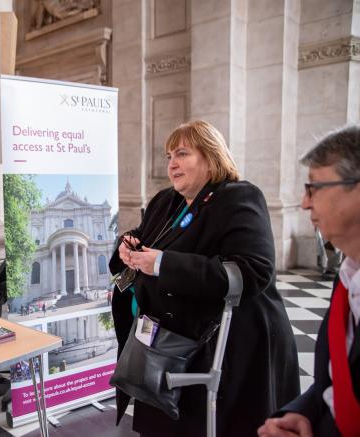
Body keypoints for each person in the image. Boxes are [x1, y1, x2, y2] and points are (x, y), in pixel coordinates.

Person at [109, 120, 300, 436]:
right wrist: (128, 247)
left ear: (211, 158)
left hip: (229, 344)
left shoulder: (240, 198)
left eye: (182, 153)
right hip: (165, 342)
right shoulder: (164, 201)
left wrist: (162, 264)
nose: (172, 163)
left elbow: (255, 270)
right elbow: (143, 236)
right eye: (169, 155)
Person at [258, 125, 360, 437]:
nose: (304, 203)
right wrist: (301, 412)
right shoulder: (347, 275)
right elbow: (333, 382)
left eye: (313, 188)